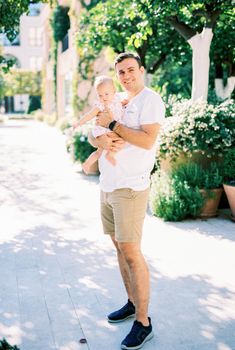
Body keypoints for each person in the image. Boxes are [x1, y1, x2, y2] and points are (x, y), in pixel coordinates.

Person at [90, 52, 165, 350]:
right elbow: (93, 131)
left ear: (142, 70)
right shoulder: (118, 99)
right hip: (107, 185)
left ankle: (144, 323)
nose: (126, 76)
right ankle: (132, 303)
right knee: (119, 248)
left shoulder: (151, 100)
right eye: (121, 72)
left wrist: (112, 127)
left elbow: (147, 140)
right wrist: (100, 138)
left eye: (131, 70)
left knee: (132, 253)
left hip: (131, 189)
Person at [73, 75, 127, 174]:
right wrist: (79, 123)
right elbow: (89, 115)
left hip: (114, 128)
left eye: (106, 94)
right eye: (100, 95)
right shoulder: (100, 105)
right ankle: (88, 164)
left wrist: (124, 103)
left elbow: (121, 106)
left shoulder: (118, 99)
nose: (103, 97)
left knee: (121, 141)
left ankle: (109, 155)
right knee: (100, 150)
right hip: (104, 130)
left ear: (114, 91)